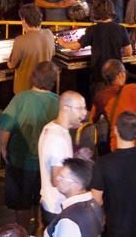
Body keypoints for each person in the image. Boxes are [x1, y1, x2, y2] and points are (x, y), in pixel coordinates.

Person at [0, 61, 60, 227]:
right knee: (43, 203)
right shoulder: (58, 102)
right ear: (53, 80)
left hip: (21, 161)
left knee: (22, 204)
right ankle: (42, 231)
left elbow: (6, 125)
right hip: (47, 164)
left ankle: (24, 232)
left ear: (33, 77)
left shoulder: (20, 99)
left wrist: (3, 147)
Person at [37, 91, 88, 225]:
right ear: (66, 108)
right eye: (80, 108)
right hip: (57, 207)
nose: (84, 113)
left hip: (51, 203)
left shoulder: (51, 128)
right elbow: (56, 180)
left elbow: (58, 161)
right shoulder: (57, 139)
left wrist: (76, 156)